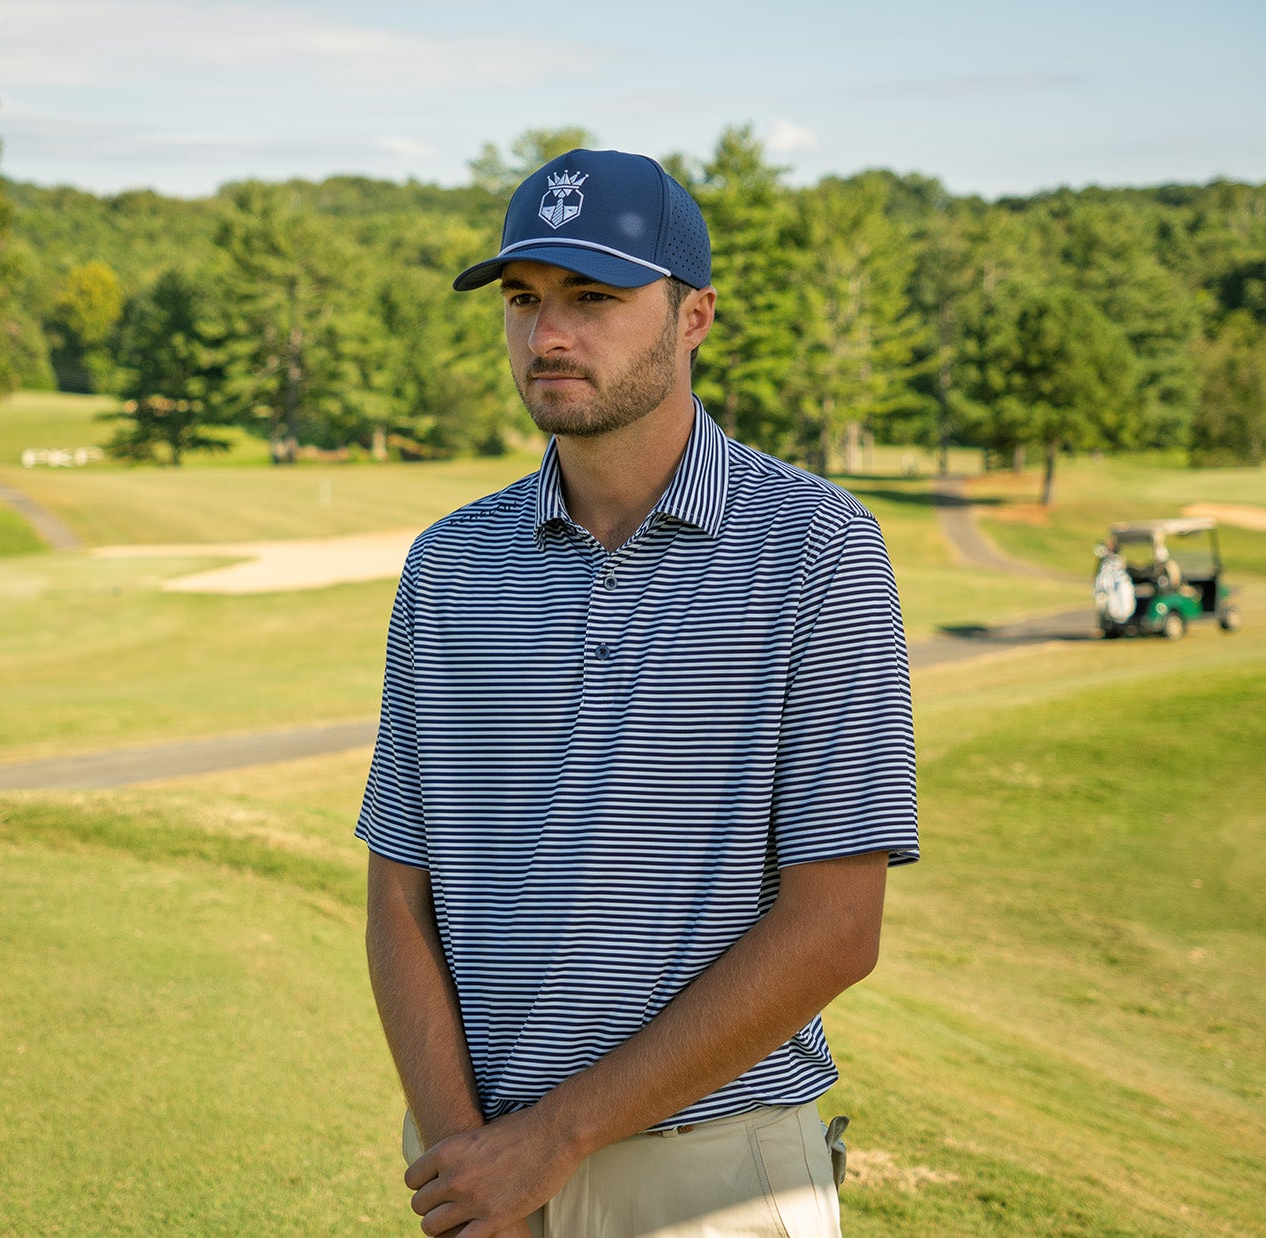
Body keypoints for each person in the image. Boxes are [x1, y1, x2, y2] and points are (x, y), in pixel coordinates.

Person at [357, 148, 920, 1238]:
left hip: (716, 1183)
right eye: (524, 300)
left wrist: (551, 1141)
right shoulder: (447, 563)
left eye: (594, 298)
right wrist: (475, 1163)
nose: (548, 335)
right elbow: (398, 895)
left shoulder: (818, 549)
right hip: (476, 1174)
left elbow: (836, 926)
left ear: (694, 315)